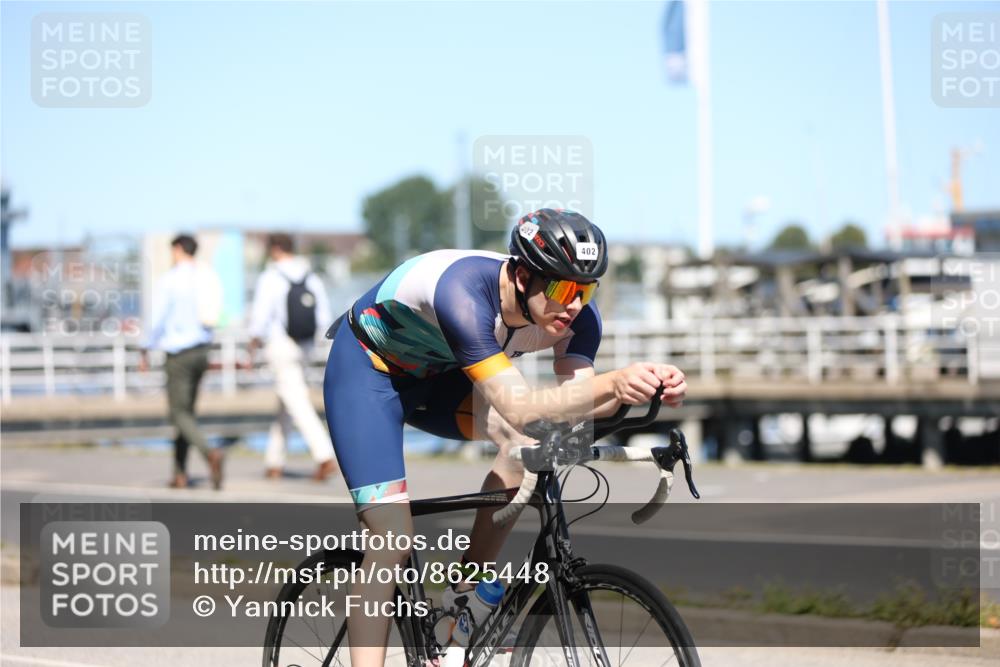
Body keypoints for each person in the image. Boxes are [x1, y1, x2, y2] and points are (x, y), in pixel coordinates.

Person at [322, 208, 688, 664]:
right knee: (391, 538)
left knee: (525, 447)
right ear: (521, 276)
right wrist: (613, 383)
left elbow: (574, 407)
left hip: (441, 379)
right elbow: (520, 407)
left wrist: (646, 388)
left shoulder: (578, 318)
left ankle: (463, 597)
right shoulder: (463, 294)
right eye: (562, 289)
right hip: (368, 376)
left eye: (586, 290)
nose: (574, 304)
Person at [247, 233, 338, 481]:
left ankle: (324, 455)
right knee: (286, 400)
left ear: (275, 249)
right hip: (305, 345)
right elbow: (323, 317)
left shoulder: (271, 277)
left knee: (295, 401)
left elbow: (260, 316)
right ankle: (274, 462)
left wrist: (253, 344)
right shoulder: (311, 276)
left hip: (281, 344)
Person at [139, 234, 224, 490]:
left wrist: (145, 347)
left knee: (178, 413)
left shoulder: (170, 280)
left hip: (179, 354)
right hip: (202, 350)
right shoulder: (206, 277)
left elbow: (156, 318)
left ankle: (210, 453)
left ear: (178, 249)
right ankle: (179, 473)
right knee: (186, 413)